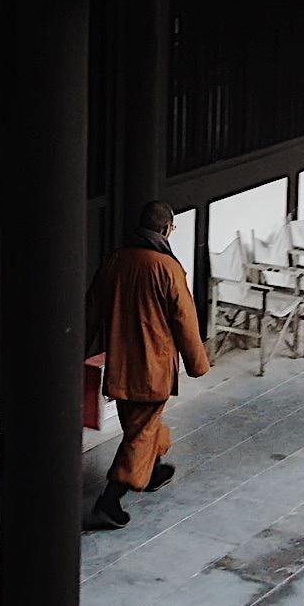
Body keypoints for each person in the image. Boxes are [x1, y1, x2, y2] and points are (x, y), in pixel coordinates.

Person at [83, 200, 210, 530]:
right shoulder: (167, 268)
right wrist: (198, 363)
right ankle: (109, 502)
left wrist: (80, 349)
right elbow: (184, 320)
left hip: (121, 364)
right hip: (152, 367)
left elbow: (92, 308)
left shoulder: (115, 260)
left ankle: (152, 470)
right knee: (140, 433)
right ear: (166, 229)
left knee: (139, 426)